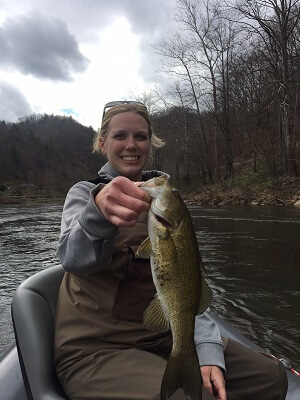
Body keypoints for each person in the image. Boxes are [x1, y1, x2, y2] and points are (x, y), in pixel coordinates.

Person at [54, 101, 288, 400]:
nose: (131, 145)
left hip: (165, 337)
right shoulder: (84, 194)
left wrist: (206, 350)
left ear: (150, 144)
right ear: (102, 143)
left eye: (140, 137)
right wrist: (98, 211)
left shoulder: (166, 200)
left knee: (270, 379)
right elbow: (73, 260)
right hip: (98, 347)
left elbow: (186, 281)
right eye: (120, 136)